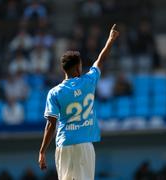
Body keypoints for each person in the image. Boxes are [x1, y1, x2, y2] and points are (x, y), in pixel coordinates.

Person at [38, 24, 119, 180]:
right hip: (84, 145)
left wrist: (42, 151)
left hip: (64, 144)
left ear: (64, 69)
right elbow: (100, 60)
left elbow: (51, 124)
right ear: (77, 68)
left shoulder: (55, 92)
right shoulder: (89, 81)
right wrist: (110, 39)